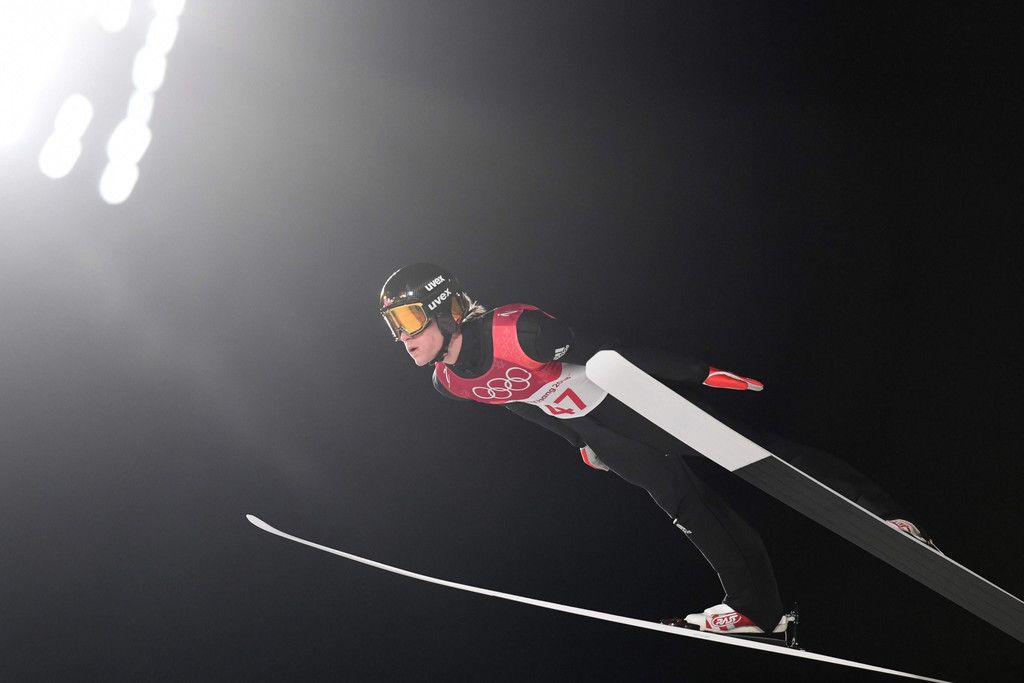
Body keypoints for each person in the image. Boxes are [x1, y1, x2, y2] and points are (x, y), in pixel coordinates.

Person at [378, 263, 936, 636]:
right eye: (392, 325)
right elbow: (522, 403)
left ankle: (884, 514)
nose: (402, 336)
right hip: (600, 432)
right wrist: (580, 443)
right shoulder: (449, 383)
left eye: (407, 319)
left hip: (631, 405)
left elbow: (611, 350)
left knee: (754, 455)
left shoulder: (518, 331)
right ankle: (757, 610)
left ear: (445, 307)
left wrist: (699, 372)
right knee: (685, 507)